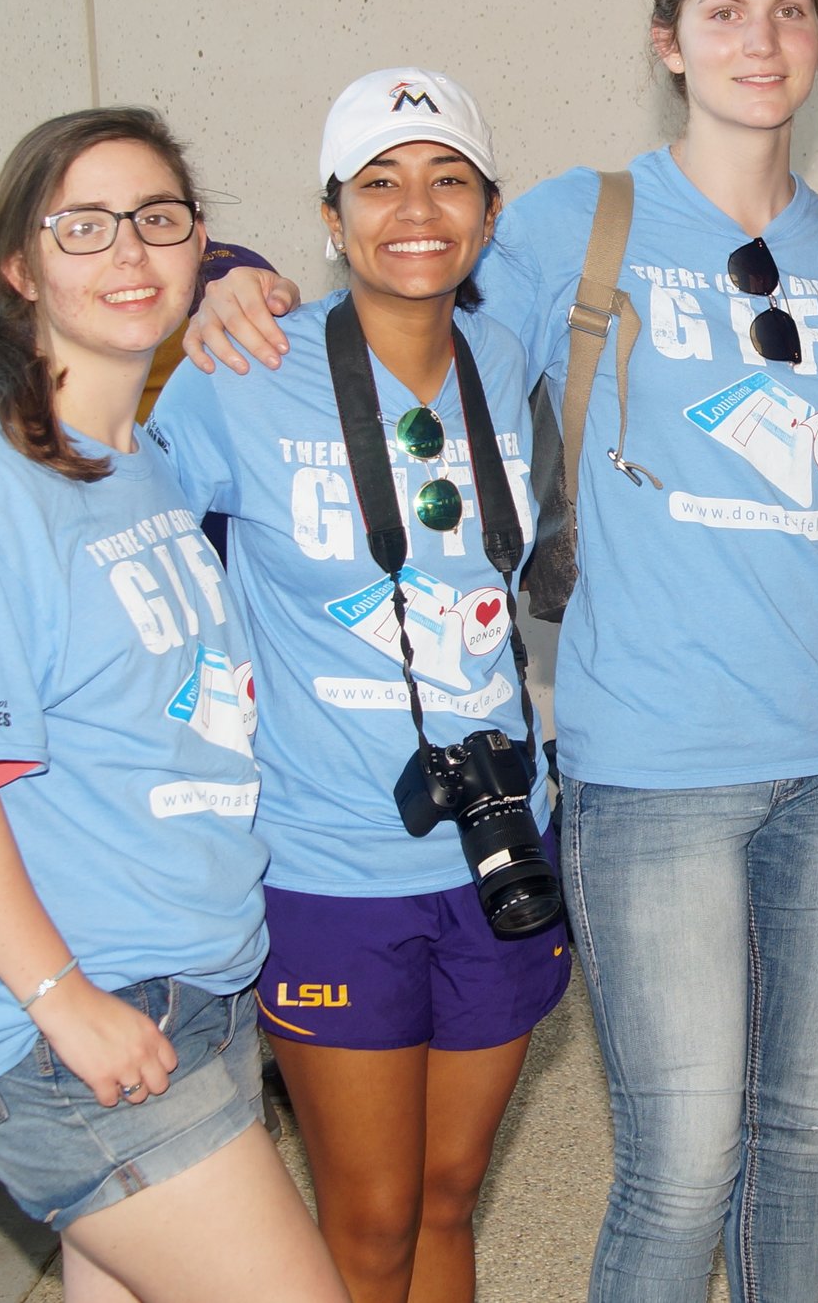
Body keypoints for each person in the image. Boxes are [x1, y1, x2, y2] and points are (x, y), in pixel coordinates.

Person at [184, 0, 818, 1303]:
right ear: (667, 41)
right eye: (722, 10)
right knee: (684, 1157)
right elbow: (401, 278)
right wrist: (228, 280)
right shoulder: (583, 225)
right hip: (652, 759)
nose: (758, 40)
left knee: (813, 1125)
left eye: (788, 11)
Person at [0, 109, 347, 1303]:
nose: (128, 254)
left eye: (157, 221)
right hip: (79, 1016)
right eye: (84, 227)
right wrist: (59, 998)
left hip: (196, 982)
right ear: (20, 268)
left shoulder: (143, 460)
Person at [147, 69, 569, 1303]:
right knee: (370, 1215)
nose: (414, 209)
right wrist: (213, 270)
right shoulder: (246, 370)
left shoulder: (509, 341)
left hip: (500, 848)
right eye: (377, 183)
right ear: (330, 221)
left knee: (449, 1195)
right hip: (328, 861)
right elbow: (112, 527)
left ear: (489, 215)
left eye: (447, 179)